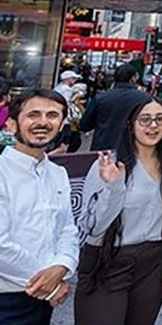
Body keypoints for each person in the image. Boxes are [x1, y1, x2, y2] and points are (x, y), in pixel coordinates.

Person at [75, 98, 162, 325]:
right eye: (145, 120)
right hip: (109, 259)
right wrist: (113, 187)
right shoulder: (108, 164)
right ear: (130, 125)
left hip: (155, 261)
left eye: (160, 119)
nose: (153, 126)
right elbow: (93, 226)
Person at [0, 89, 77, 324]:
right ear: (12, 124)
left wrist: (63, 265)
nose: (43, 122)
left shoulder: (58, 173)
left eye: (52, 115)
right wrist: (50, 283)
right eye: (33, 114)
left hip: (41, 300)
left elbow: (68, 228)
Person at [80, 64, 152, 151]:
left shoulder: (100, 98)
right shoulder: (145, 99)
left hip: (102, 150)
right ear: (133, 78)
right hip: (133, 150)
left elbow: (85, 125)